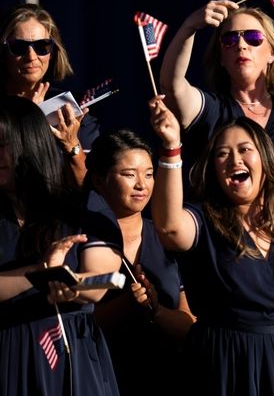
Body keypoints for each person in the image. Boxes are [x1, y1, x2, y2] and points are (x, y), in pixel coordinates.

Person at [148, 95, 274, 395]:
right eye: (222, 154)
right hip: (224, 367)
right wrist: (171, 148)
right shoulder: (203, 220)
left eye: (245, 150)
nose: (235, 160)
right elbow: (169, 227)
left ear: (266, 161)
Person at [0, 95, 121, 395]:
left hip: (71, 351)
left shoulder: (79, 203)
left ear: (29, 144)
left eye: (1, 143)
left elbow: (97, 282)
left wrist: (71, 283)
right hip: (6, 351)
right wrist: (41, 270)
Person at [85, 129, 195, 395]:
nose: (141, 185)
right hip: (101, 378)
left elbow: (189, 325)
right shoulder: (83, 241)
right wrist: (126, 305)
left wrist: (156, 311)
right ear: (100, 181)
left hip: (168, 377)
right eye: (129, 174)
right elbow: (76, 327)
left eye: (148, 174)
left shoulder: (168, 237)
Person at [160, 1, 274, 177]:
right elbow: (172, 86)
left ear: (271, 53)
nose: (241, 45)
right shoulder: (212, 110)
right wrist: (190, 26)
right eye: (229, 40)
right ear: (221, 58)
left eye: (253, 38)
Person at [1, 4, 100, 185]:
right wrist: (29, 119)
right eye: (18, 47)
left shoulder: (69, 107)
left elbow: (90, 187)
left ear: (53, 52)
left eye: (42, 46)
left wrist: (71, 145)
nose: (31, 56)